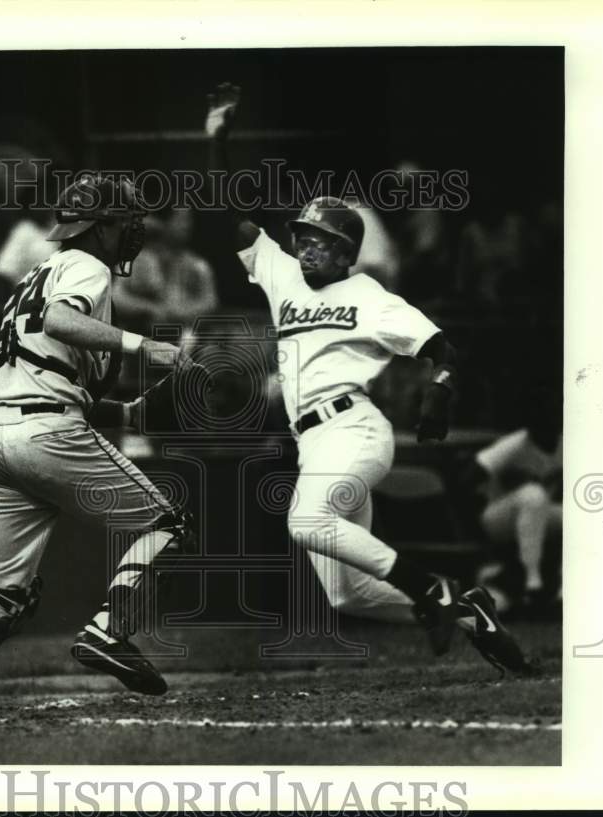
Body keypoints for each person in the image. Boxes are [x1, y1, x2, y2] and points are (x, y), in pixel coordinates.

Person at [206, 83, 531, 674]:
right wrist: (217, 144)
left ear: (347, 250)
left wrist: (439, 389)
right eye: (302, 236)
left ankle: (434, 590)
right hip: (313, 443)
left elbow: (443, 346)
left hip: (353, 429)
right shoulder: (282, 277)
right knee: (347, 595)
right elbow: (239, 221)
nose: (305, 247)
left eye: (320, 241)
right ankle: (466, 610)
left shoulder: (368, 295)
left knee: (306, 521)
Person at [0, 175, 200, 718]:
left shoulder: (35, 275)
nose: (130, 231)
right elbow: (59, 320)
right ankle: (109, 632)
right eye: (123, 221)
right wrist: (147, 346)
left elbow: (43, 364)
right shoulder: (85, 266)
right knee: (166, 523)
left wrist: (126, 411)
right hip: (44, 432)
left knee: (5, 592)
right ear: (98, 226)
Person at [465, 403, 563, 616]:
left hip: (537, 517)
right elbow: (466, 477)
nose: (549, 423)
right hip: (497, 518)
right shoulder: (515, 445)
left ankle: (565, 592)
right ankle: (533, 584)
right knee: (533, 495)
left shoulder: (568, 446)